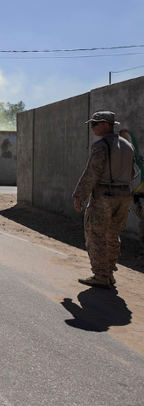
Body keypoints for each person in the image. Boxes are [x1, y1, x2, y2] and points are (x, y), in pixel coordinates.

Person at [73, 111, 134, 289]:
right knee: (113, 236)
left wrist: (79, 196)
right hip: (124, 196)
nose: (92, 127)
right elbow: (130, 173)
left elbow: (92, 173)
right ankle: (109, 274)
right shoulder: (127, 146)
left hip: (105, 197)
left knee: (96, 235)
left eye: (95, 124)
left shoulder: (101, 145)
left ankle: (100, 275)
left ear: (107, 125)